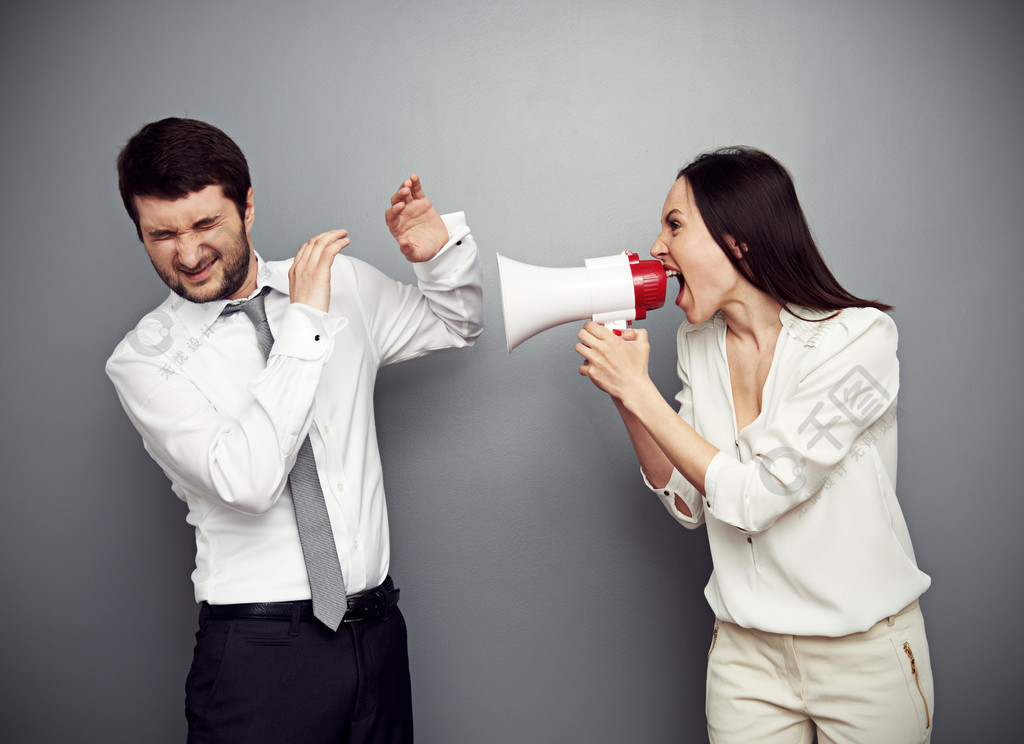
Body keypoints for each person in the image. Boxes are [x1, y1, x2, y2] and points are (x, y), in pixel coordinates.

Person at [106, 117, 483, 743]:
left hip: (378, 634)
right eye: (161, 235)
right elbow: (251, 480)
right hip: (259, 656)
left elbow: (457, 322)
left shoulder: (347, 287)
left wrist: (437, 256)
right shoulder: (143, 359)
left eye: (205, 225)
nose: (189, 254)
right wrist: (305, 322)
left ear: (247, 206)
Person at [575, 147, 933, 744]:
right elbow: (691, 505)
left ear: (738, 240)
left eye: (674, 224)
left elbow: (759, 495)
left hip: (863, 654)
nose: (657, 247)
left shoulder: (859, 339)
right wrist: (626, 401)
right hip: (746, 656)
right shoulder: (698, 345)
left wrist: (642, 394)